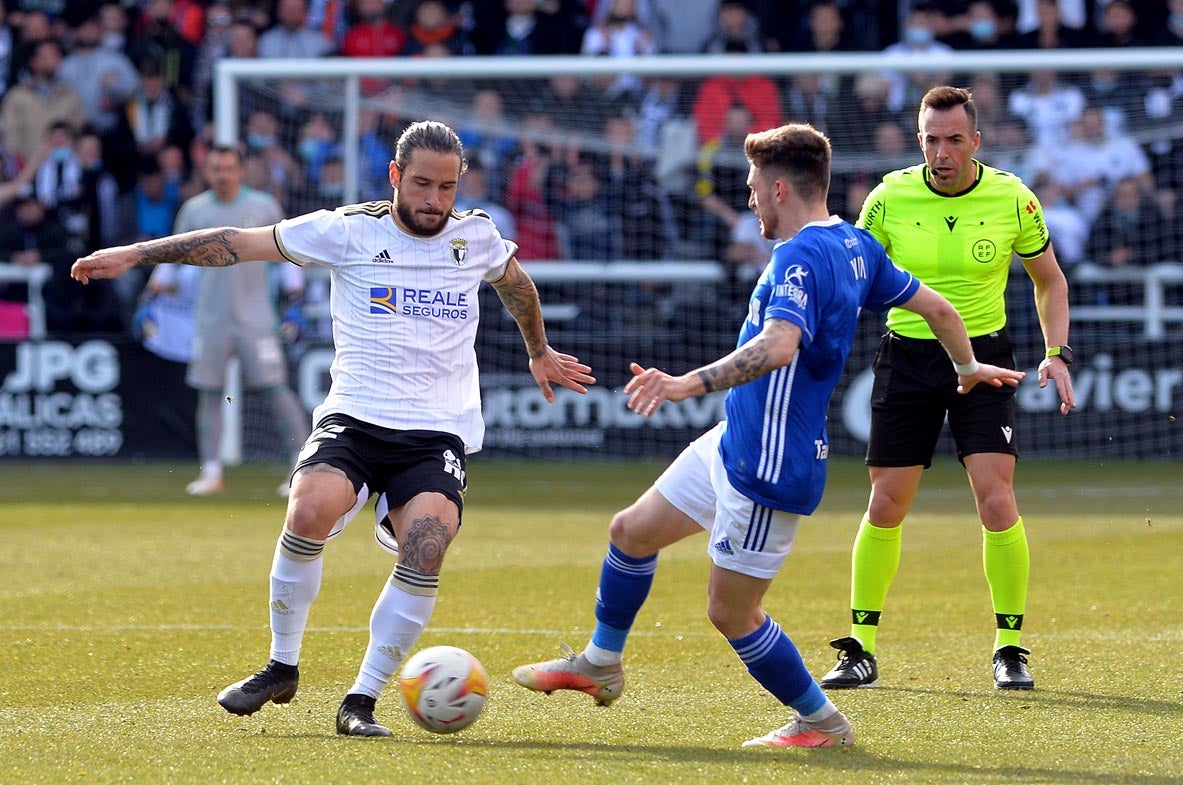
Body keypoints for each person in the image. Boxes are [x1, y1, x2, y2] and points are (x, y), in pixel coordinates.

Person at [71, 120, 595, 736]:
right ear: (396, 176)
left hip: (436, 430)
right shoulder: (348, 230)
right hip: (356, 416)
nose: (434, 200)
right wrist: (136, 253)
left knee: (427, 542)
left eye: (447, 188)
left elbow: (516, 284)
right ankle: (281, 665)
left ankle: (362, 700)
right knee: (308, 509)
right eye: (422, 184)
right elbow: (236, 241)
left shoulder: (475, 237)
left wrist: (538, 349)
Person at [511, 122, 1024, 748]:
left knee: (730, 612)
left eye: (753, 186)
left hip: (769, 465)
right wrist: (967, 367)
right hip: (733, 441)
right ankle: (599, 662)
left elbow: (780, 347)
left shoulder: (800, 256)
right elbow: (940, 309)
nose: (749, 198)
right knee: (630, 532)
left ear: (780, 189)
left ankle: (822, 721)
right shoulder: (855, 245)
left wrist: (685, 385)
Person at [819, 85, 1076, 694]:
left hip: (985, 360)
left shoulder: (1014, 197)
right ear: (919, 141)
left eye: (954, 139)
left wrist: (1056, 353)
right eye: (931, 140)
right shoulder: (887, 199)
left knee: (996, 497)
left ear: (976, 141)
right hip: (908, 359)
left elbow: (1050, 282)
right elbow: (853, 280)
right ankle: (860, 647)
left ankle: (1010, 648)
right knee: (886, 503)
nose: (942, 151)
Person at [141, 145, 309, 498]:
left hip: (256, 319)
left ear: (240, 171)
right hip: (209, 319)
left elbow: (287, 257)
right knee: (209, 392)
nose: (222, 175)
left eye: (228, 168)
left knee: (276, 390)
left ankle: (301, 467)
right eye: (216, 168)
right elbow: (169, 258)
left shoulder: (263, 206)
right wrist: (149, 301)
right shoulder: (195, 210)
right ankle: (212, 472)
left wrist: (294, 304)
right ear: (207, 171)